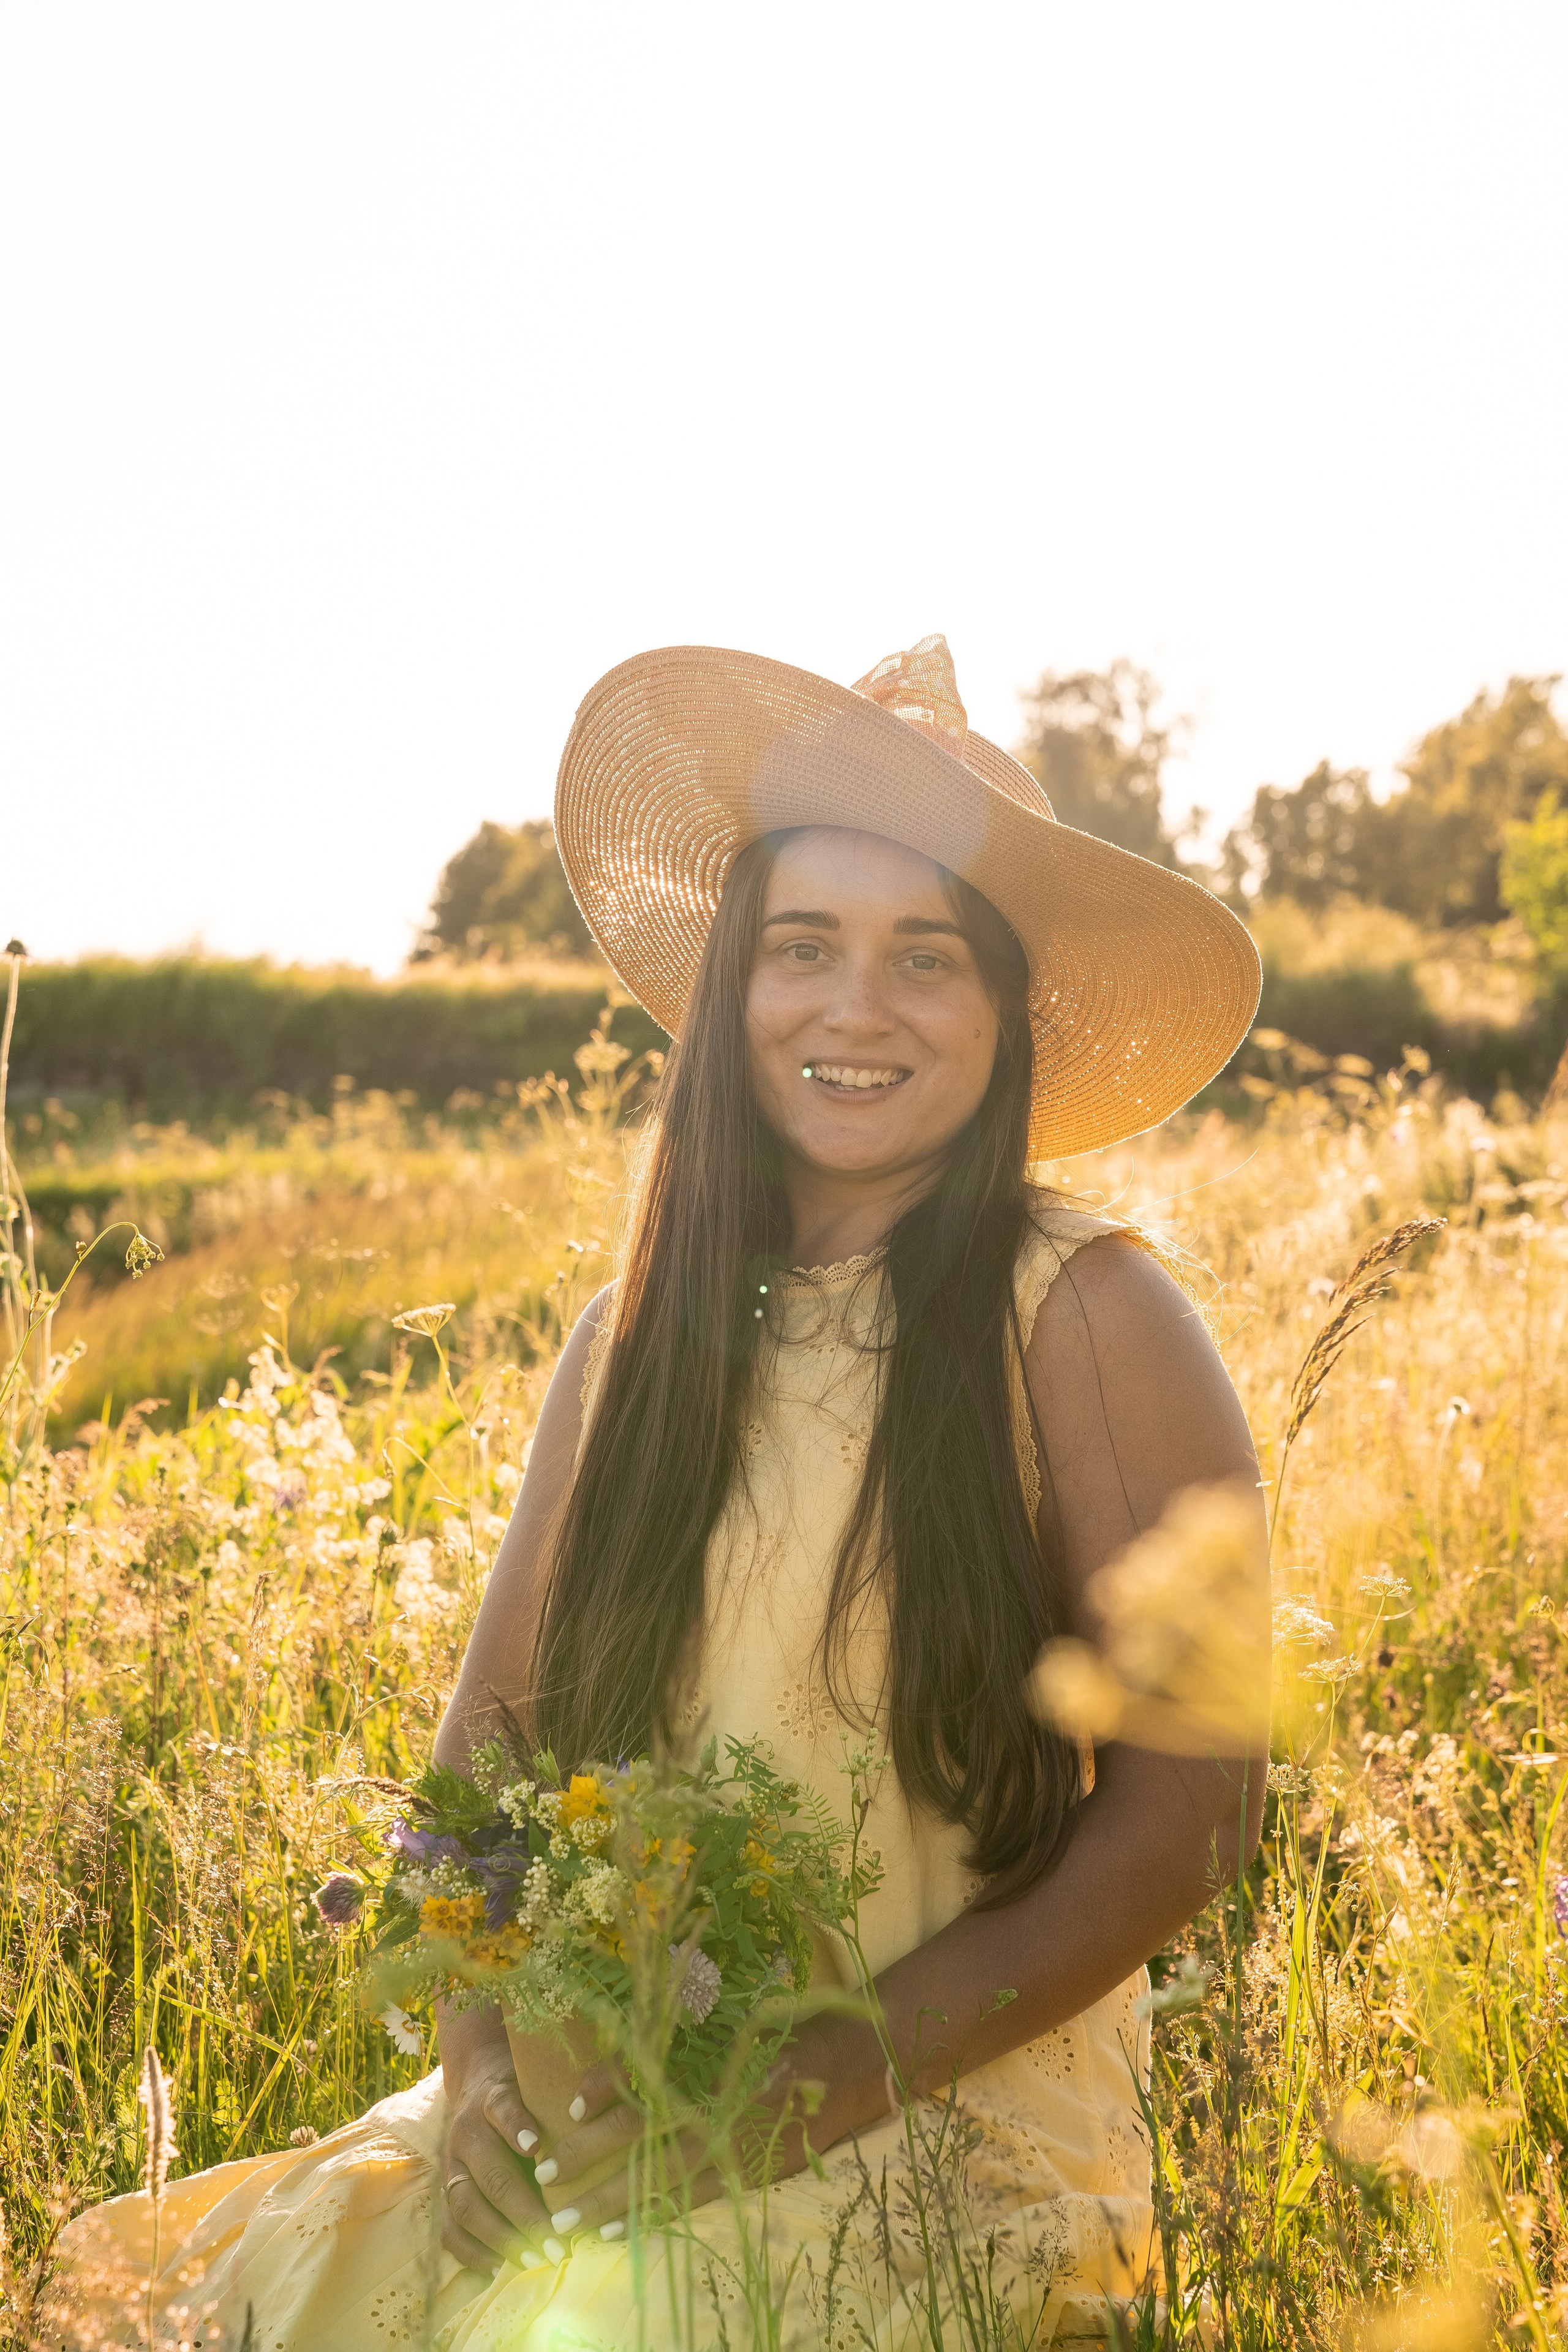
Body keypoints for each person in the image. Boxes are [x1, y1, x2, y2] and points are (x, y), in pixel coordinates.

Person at [51, 635, 1268, 2350]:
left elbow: (1191, 1813)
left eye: (928, 956)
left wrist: (811, 2085)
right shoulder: (631, 1339)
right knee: (167, 2306)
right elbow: (482, 1764)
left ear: (1008, 1012)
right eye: (804, 948)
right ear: (732, 994)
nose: (858, 1006)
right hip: (595, 2128)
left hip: (934, 2135)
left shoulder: (1083, 1314)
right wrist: (477, 2072)